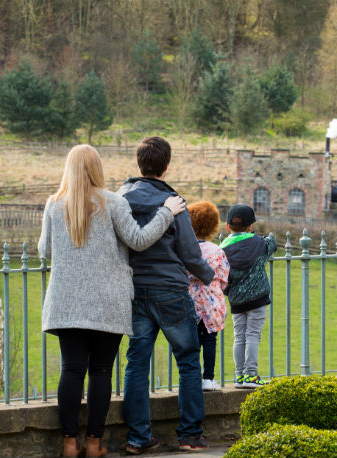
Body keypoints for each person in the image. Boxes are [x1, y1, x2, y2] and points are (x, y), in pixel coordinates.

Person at [38, 144, 186, 458]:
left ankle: (68, 444)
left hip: (67, 303)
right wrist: (166, 212)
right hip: (108, 301)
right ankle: (94, 444)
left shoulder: (54, 204)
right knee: (102, 372)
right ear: (97, 168)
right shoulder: (113, 203)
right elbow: (139, 240)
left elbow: (44, 251)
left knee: (72, 370)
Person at [118, 137, 215, 454]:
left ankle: (138, 437)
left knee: (137, 362)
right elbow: (190, 253)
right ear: (167, 165)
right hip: (171, 290)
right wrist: (210, 275)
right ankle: (189, 435)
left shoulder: (121, 198)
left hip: (136, 289)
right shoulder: (174, 202)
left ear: (139, 163)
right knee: (188, 361)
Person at [219, 204, 277, 389]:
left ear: (228, 227)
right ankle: (251, 375)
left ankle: (239, 376)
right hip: (257, 299)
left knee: (239, 336)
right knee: (253, 335)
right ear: (251, 226)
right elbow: (271, 245)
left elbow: (223, 278)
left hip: (236, 301)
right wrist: (269, 237)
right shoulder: (259, 243)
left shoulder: (223, 250)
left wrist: (230, 293)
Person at [186, 201, 230, 392]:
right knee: (210, 341)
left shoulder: (184, 250)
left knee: (191, 342)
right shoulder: (217, 251)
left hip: (189, 301)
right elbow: (223, 277)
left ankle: (192, 377)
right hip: (211, 303)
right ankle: (209, 378)